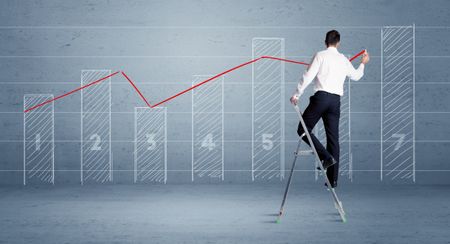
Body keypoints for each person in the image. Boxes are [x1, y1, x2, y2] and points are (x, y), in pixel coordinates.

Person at [290, 30, 370, 188]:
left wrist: (297, 95)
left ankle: (326, 157)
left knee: (302, 130)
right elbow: (356, 76)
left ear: (325, 41)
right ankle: (332, 180)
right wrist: (363, 63)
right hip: (335, 102)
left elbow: (308, 76)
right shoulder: (343, 60)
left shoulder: (320, 55)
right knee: (333, 139)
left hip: (321, 98)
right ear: (338, 42)